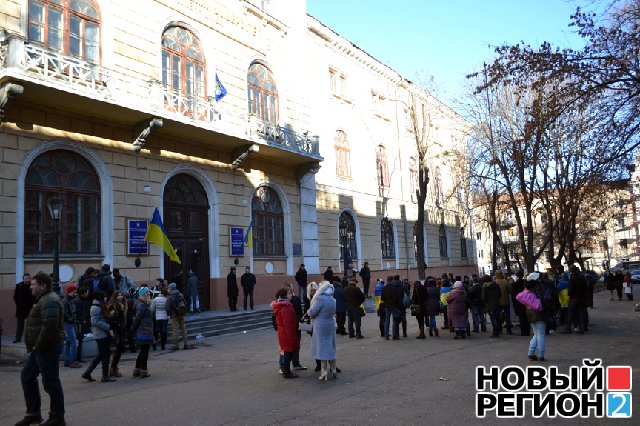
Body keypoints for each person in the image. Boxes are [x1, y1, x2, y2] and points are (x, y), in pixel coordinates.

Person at [16, 272, 66, 426]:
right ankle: (33, 414)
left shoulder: (49, 300)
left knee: (51, 382)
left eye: (33, 284)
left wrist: (38, 346)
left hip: (46, 348)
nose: (30, 286)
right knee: (27, 376)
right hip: (39, 348)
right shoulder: (43, 299)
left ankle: (57, 418)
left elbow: (49, 327)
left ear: (43, 286)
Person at [81, 290, 116, 383]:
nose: (105, 298)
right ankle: (105, 376)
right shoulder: (95, 308)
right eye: (103, 297)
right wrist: (107, 326)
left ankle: (87, 373)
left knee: (101, 355)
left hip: (102, 333)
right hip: (100, 334)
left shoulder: (99, 306)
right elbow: (94, 322)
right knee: (105, 355)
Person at [308, 281, 337, 380]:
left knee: (322, 347)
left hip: (320, 326)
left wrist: (309, 312)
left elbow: (312, 312)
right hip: (330, 324)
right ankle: (333, 368)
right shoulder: (332, 300)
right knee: (330, 345)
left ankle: (324, 372)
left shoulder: (320, 299)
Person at [272, 288, 300, 379]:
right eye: (289, 293)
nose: (291, 294)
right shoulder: (285, 307)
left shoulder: (282, 305)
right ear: (285, 295)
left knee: (287, 352)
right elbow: (288, 323)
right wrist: (292, 337)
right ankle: (286, 371)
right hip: (286, 332)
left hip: (282, 332)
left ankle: (286, 370)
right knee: (288, 352)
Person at [523, 273, 548, 361]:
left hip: (529, 312)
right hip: (539, 312)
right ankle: (541, 355)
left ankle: (531, 353)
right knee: (540, 334)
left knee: (536, 334)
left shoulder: (527, 289)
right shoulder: (540, 288)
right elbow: (546, 299)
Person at [132, 286, 153, 378]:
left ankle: (137, 369)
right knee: (145, 351)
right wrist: (133, 329)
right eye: (147, 293)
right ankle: (143, 370)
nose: (149, 294)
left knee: (143, 351)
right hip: (144, 329)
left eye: (149, 293)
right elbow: (137, 318)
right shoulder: (141, 304)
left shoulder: (144, 303)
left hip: (145, 328)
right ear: (142, 294)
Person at [107, 290, 127, 378]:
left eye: (121, 295)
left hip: (121, 328)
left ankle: (114, 368)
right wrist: (113, 328)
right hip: (116, 330)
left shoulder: (123, 304)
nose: (120, 297)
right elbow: (111, 318)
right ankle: (113, 369)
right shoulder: (112, 305)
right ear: (115, 297)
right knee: (119, 349)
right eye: (118, 295)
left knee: (120, 350)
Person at [561, 266, 587, 334]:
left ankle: (568, 328)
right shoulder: (582, 278)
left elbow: (570, 290)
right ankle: (581, 328)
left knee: (570, 312)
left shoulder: (572, 279)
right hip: (581, 297)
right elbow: (585, 287)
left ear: (571, 271)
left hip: (574, 298)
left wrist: (570, 296)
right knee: (581, 313)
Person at [166, 283, 189, 350]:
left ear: (170, 288)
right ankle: (186, 344)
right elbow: (185, 303)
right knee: (183, 329)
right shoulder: (181, 294)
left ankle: (176, 346)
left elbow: (167, 307)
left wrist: (169, 312)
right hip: (181, 314)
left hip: (174, 315)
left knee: (175, 330)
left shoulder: (170, 297)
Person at [62, 284, 80, 368]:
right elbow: (64, 314)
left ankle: (67, 361)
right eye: (74, 292)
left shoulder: (69, 300)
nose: (75, 293)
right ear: (69, 292)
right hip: (68, 324)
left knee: (68, 342)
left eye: (75, 292)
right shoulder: (66, 301)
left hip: (69, 323)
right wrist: (71, 320)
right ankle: (72, 362)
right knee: (73, 342)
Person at [381, 275, 404, 340]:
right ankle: (394, 335)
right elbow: (396, 297)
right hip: (394, 306)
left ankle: (386, 335)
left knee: (387, 320)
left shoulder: (384, 288)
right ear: (392, 280)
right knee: (394, 320)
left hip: (387, 306)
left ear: (387, 280)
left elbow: (382, 299)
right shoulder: (393, 288)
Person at [13, 273, 34, 343]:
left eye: (29, 278)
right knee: (19, 325)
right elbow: (15, 297)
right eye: (26, 278)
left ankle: (30, 339)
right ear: (23, 279)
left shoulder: (33, 286)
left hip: (30, 308)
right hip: (21, 309)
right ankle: (17, 338)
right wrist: (19, 305)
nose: (28, 280)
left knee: (30, 325)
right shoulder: (19, 285)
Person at [75, 286, 91, 362]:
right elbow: (79, 313)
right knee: (79, 341)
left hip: (81, 322)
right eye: (87, 292)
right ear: (83, 293)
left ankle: (78, 358)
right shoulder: (78, 301)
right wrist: (83, 321)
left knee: (80, 341)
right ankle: (77, 358)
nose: (88, 294)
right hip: (80, 323)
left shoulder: (80, 300)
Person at [511, 270, 529, 336]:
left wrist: (514, 302)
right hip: (527, 301)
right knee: (526, 316)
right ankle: (527, 330)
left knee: (521, 317)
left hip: (519, 301)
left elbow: (513, 294)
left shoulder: (516, 284)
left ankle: (523, 331)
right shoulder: (525, 282)